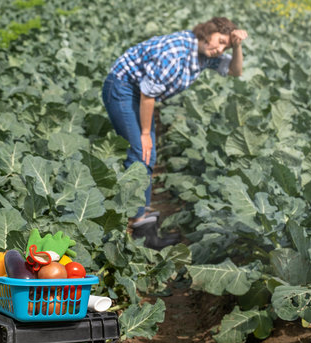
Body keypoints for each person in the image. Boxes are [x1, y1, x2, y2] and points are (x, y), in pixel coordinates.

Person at [102, 17, 248, 250]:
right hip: (122, 88)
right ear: (207, 32)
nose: (219, 49)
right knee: (142, 152)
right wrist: (146, 132)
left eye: (225, 47)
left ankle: (142, 226)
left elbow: (235, 71)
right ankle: (132, 226)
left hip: (137, 92)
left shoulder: (204, 53)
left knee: (147, 156)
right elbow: (148, 95)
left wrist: (237, 45)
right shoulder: (176, 54)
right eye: (220, 41)